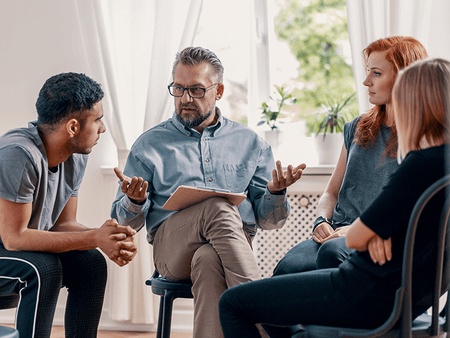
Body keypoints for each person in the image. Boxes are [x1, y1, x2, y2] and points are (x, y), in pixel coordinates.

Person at [219, 57, 450, 337]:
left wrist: (370, 230)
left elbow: (353, 239)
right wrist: (380, 230)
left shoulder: (421, 164)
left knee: (233, 302)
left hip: (364, 293)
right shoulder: (442, 166)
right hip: (401, 298)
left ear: (416, 105)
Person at [110, 46, 306, 338]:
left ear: (219, 91)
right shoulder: (149, 144)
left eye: (197, 90)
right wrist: (135, 201)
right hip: (172, 249)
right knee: (217, 207)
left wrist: (275, 193)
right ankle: (266, 316)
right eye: (178, 88)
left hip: (229, 247)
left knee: (208, 258)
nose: (186, 99)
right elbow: (123, 223)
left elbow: (270, 222)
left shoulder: (250, 143)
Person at [273, 36, 428, 276]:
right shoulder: (357, 127)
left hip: (380, 239)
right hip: (336, 232)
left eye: (376, 73)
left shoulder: (425, 138)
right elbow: (331, 192)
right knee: (286, 268)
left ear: (404, 77)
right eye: (368, 72)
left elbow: (418, 209)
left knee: (332, 254)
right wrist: (321, 221)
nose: (366, 82)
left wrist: (362, 230)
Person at [0, 72, 138, 338]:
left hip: (13, 247)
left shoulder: (74, 155)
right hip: (9, 245)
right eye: (97, 120)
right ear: (73, 127)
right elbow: (14, 238)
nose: (103, 129)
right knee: (42, 268)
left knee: (91, 263)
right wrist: (95, 237)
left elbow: (63, 225)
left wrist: (107, 238)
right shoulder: (18, 154)